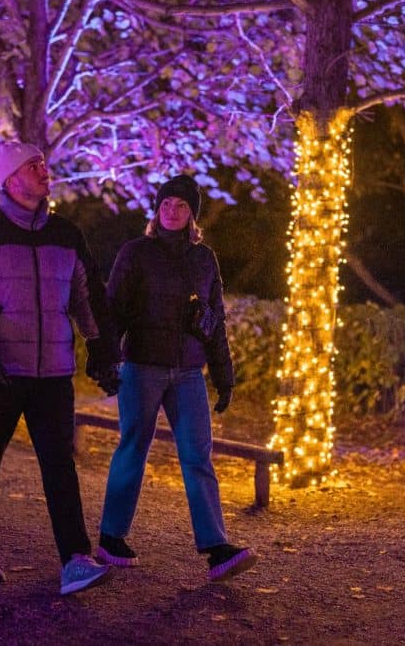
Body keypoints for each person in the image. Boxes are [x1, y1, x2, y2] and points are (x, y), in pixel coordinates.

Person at [0, 141, 117, 595]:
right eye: (32, 165)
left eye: (43, 163)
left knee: (60, 465)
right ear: (10, 179)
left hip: (54, 372)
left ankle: (75, 558)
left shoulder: (66, 234)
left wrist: (101, 349)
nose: (44, 171)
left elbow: (86, 295)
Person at [96, 174, 257, 582]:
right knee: (133, 447)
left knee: (197, 455)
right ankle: (111, 536)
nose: (173, 210)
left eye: (181, 205)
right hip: (142, 366)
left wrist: (224, 376)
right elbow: (113, 309)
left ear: (192, 215)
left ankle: (217, 547)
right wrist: (106, 361)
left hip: (188, 371)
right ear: (157, 209)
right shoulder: (136, 253)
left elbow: (215, 319)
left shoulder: (204, 260)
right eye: (167, 203)